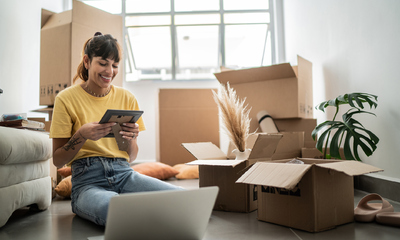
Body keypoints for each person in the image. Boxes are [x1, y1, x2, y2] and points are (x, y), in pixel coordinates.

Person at [50, 32, 182, 226]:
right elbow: (58, 160)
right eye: (103, 63)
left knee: (182, 200)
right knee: (116, 210)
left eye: (115, 65)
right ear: (87, 62)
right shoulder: (66, 99)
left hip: (124, 174)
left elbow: (132, 157)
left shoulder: (127, 98)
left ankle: (144, 213)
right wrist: (81, 135)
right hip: (87, 182)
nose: (109, 71)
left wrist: (130, 139)